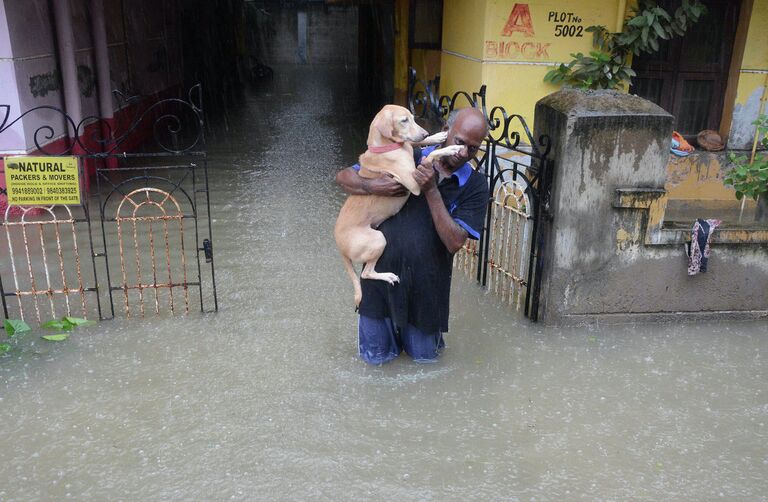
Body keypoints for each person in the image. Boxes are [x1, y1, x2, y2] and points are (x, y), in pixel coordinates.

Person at [335, 107, 489, 365]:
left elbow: (454, 242)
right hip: (378, 289)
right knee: (374, 365)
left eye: (473, 149)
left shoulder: (475, 185)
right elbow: (343, 177)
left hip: (426, 295)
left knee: (424, 365)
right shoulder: (406, 152)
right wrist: (371, 185)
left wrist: (431, 190)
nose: (463, 153)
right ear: (445, 133)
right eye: (460, 142)